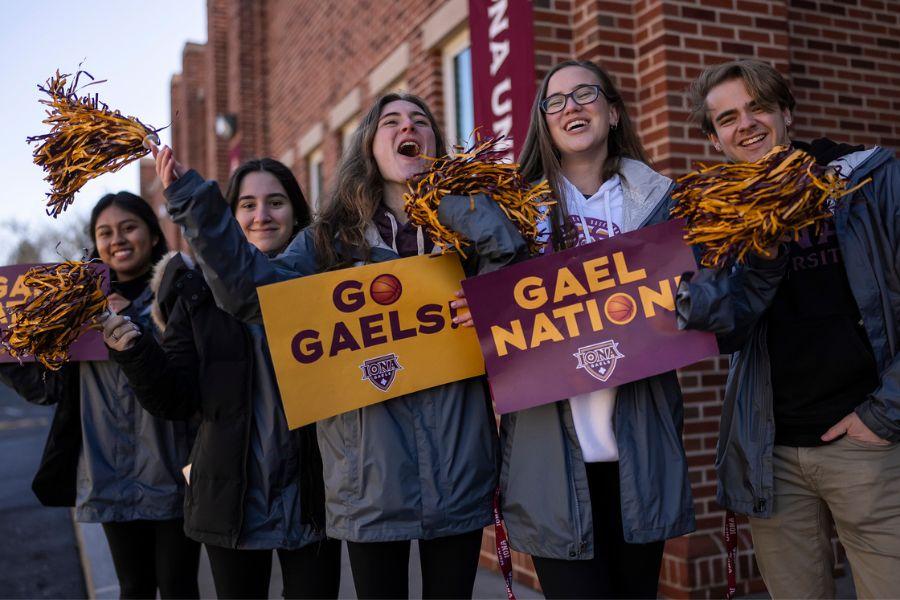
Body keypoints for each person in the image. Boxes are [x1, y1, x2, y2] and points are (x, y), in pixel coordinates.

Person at [150, 92, 523, 599]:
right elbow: (253, 295)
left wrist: (481, 277)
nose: (406, 127)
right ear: (369, 145)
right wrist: (196, 204)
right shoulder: (327, 242)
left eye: (419, 121)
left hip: (460, 469)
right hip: (366, 482)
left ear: (433, 143)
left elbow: (520, 284)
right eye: (390, 121)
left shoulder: (467, 234)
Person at [676, 58, 900, 598]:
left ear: (786, 113)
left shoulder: (865, 178)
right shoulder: (714, 216)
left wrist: (886, 411)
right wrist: (761, 255)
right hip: (770, 451)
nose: (745, 124)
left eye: (757, 107)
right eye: (726, 118)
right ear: (714, 140)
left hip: (870, 438)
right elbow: (718, 328)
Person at [490, 59, 696, 600]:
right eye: (555, 101)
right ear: (543, 122)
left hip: (637, 445)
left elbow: (701, 303)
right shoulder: (511, 212)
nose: (570, 107)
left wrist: (690, 297)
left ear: (613, 110)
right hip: (551, 454)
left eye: (585, 94)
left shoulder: (662, 203)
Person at [101, 159, 341, 599]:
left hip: (315, 497)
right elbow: (176, 398)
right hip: (229, 496)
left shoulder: (329, 283)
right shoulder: (194, 290)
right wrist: (134, 352)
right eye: (247, 204)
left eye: (276, 202)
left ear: (297, 212)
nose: (262, 215)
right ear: (228, 218)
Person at [0, 192, 200, 599]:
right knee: (133, 587)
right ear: (95, 241)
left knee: (179, 587)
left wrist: (134, 322)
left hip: (173, 467)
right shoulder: (73, 306)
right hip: (108, 467)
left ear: (151, 234)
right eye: (105, 232)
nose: (118, 239)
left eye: (129, 227)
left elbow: (191, 374)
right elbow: (47, 385)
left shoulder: (180, 292)